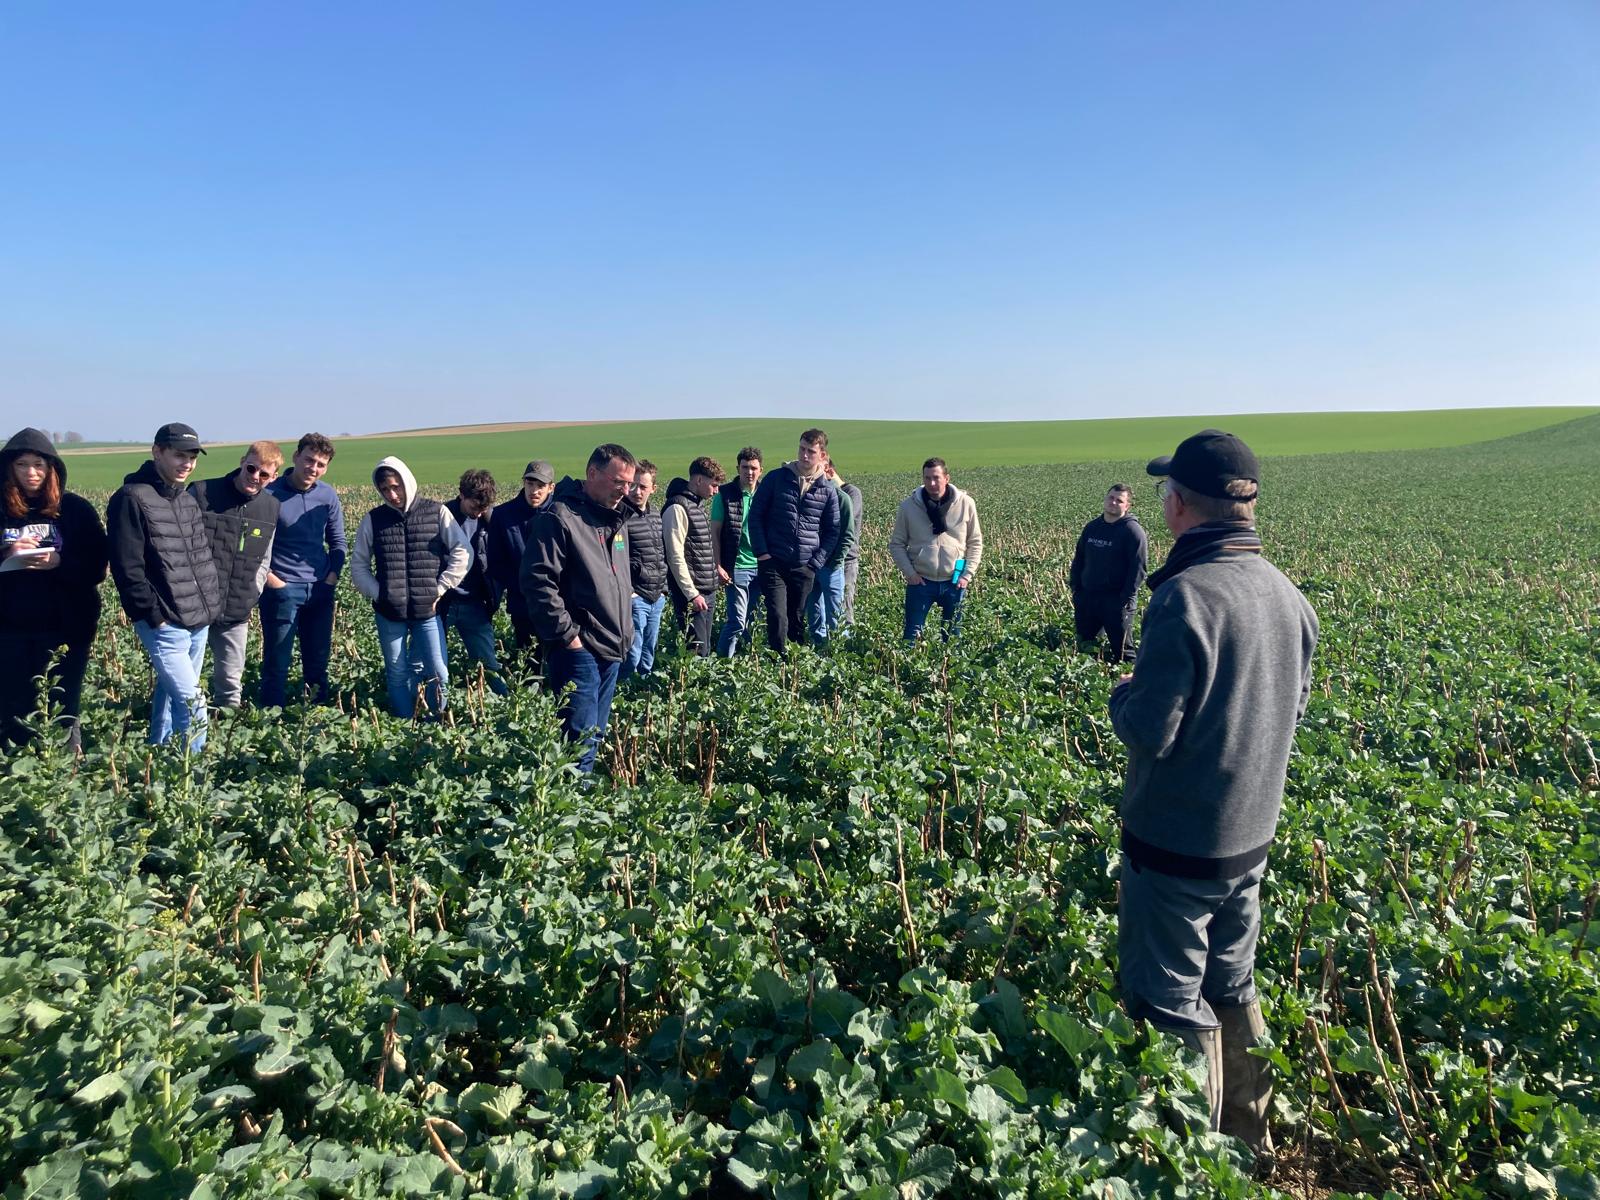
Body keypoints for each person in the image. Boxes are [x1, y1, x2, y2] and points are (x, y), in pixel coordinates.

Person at [1110, 429, 1317, 1153]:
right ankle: (1250, 1140)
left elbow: (1151, 731)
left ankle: (1192, 1157)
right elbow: (1290, 713)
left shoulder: (1185, 599)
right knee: (1233, 987)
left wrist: (1121, 696)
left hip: (1176, 845)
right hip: (1250, 837)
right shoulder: (1289, 597)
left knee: (1171, 1002)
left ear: (1179, 507)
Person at [520, 444, 637, 774]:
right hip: (580, 649)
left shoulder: (616, 519)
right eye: (618, 482)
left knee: (595, 736)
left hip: (612, 645)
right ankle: (570, 814)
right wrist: (569, 637)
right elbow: (538, 582)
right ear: (592, 474)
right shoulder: (560, 518)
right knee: (578, 742)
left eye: (629, 483)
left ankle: (579, 806)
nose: (625, 490)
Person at [106, 423, 222, 749]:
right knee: (194, 705)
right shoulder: (130, 498)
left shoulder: (185, 500)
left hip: (197, 620)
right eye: (179, 455)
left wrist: (210, 604)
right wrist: (153, 615)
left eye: (192, 457)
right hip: (165, 623)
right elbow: (127, 567)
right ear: (157, 452)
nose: (187, 464)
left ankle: (157, 753)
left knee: (172, 696)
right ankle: (192, 783)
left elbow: (199, 556)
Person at [0, 429, 108, 750]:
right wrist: (7, 552)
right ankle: (17, 773)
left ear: (52, 470)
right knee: (14, 707)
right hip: (8, 632)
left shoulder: (74, 510)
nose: (31, 473)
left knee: (63, 709)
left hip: (65, 631)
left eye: (39, 465)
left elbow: (95, 566)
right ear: (9, 468)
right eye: (22, 464)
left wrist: (60, 562)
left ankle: (63, 775)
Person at [349, 457, 472, 718]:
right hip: (388, 613)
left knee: (438, 671)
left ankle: (434, 723)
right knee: (397, 671)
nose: (392, 495)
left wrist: (441, 587)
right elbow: (359, 565)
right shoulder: (373, 519)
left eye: (396, 487)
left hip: (427, 611)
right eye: (385, 490)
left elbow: (463, 551)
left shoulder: (436, 512)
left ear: (407, 482)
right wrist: (378, 593)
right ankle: (405, 725)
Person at [190, 441, 282, 707]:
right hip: (196, 603)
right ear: (243, 461)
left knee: (230, 682)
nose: (255, 477)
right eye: (251, 468)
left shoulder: (271, 507)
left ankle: (223, 734)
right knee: (187, 677)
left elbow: (266, 555)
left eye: (264, 474)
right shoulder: (202, 492)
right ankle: (184, 735)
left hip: (238, 606)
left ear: (273, 477)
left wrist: (256, 586)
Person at [261, 433, 346, 707]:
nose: (313, 468)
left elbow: (338, 541)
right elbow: (257, 544)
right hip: (283, 590)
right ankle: (272, 716)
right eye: (309, 460)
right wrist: (274, 581)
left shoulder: (327, 495)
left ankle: (317, 716)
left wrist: (332, 577)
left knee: (318, 661)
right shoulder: (270, 494)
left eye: (321, 464)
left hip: (320, 589)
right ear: (296, 457)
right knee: (277, 660)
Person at [747, 429, 840, 654]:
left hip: (804, 566)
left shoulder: (827, 490)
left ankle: (794, 667)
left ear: (822, 455)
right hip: (774, 561)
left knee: (796, 617)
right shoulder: (776, 478)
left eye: (811, 451)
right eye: (802, 449)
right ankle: (777, 661)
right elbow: (755, 515)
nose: (805, 455)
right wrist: (762, 553)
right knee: (778, 615)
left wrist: (814, 564)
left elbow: (833, 531)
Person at [889, 458, 984, 642]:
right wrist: (910, 573)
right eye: (927, 478)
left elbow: (975, 542)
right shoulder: (908, 507)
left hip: (954, 582)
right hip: (921, 583)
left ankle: (949, 670)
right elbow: (897, 544)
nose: (932, 483)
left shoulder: (966, 504)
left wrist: (967, 575)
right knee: (911, 636)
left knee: (952, 638)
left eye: (936, 478)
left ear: (946, 478)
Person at [440, 469, 509, 696]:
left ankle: (504, 704)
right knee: (429, 659)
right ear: (461, 495)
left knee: (488, 664)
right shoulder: (441, 516)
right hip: (443, 602)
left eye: (483, 509)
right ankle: (429, 704)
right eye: (474, 508)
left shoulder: (490, 521)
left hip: (475, 603)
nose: (478, 514)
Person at [1070, 484, 1148, 662]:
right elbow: (1079, 559)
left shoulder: (1132, 532)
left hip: (1117, 602)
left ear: (1127, 506)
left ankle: (1127, 685)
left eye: (1119, 500)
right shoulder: (1092, 527)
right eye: (1110, 498)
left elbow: (1139, 569)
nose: (1113, 502)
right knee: (1085, 647)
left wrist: (1125, 598)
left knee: (1123, 652)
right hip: (1087, 599)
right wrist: (1076, 589)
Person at [488, 459, 555, 664]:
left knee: (557, 663)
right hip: (522, 604)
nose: (534, 490)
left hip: (557, 604)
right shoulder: (502, 516)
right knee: (528, 662)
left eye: (540, 486)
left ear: (551, 488)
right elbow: (496, 562)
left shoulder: (560, 514)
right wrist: (521, 583)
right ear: (523, 483)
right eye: (530, 484)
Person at [662, 456, 724, 657]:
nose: (716, 491)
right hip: (693, 594)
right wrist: (692, 594)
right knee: (696, 650)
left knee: (704, 648)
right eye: (713, 485)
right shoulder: (677, 508)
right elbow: (675, 556)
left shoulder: (695, 505)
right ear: (699, 480)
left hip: (706, 590)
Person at [712, 447, 763, 657]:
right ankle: (723, 662)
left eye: (753, 468)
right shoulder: (724, 495)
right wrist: (717, 565)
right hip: (737, 566)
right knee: (737, 621)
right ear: (738, 468)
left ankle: (747, 662)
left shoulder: (765, 493)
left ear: (761, 470)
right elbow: (714, 532)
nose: (749, 472)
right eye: (745, 467)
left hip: (761, 565)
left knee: (753, 620)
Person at [620, 461, 667, 678]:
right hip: (636, 595)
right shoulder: (620, 516)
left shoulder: (656, 515)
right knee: (633, 652)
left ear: (653, 489)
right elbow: (618, 555)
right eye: (633, 485)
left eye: (643, 487)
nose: (637, 491)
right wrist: (629, 591)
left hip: (657, 596)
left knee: (649, 649)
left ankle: (642, 693)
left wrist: (664, 589)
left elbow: (661, 553)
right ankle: (624, 689)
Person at [806, 456, 856, 641]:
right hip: (811, 565)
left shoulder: (843, 498)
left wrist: (836, 561)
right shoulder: (809, 495)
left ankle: (839, 652)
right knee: (814, 613)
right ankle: (819, 651)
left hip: (831, 567)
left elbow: (848, 535)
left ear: (827, 470)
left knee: (836, 614)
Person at [826, 458, 865, 627]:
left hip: (846, 559)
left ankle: (845, 647)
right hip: (824, 560)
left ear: (829, 471)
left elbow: (842, 521)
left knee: (843, 608)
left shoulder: (851, 493)